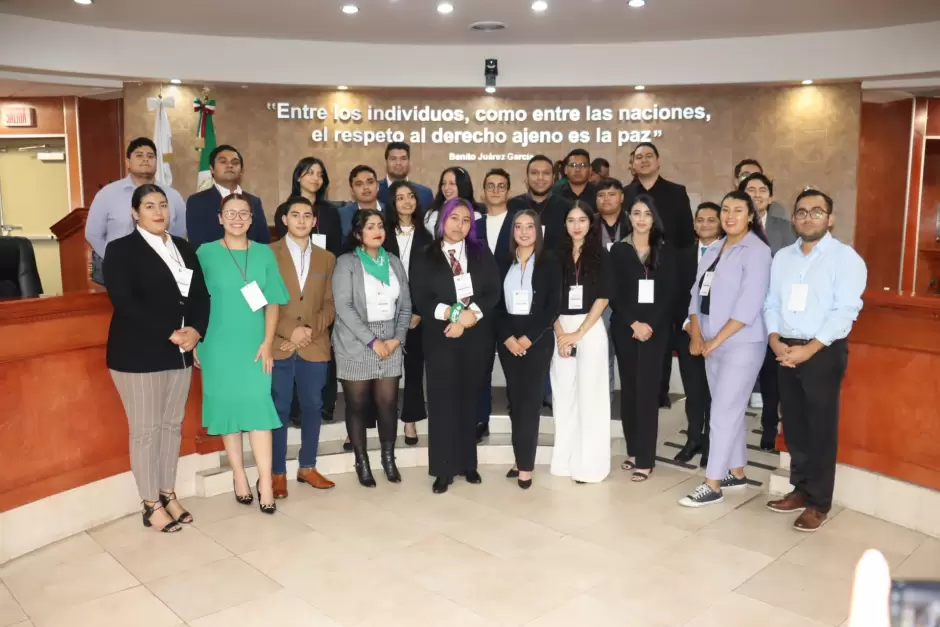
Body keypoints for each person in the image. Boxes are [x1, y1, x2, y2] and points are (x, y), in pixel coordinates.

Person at [104, 184, 208, 533]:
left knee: (170, 427)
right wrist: (169, 330)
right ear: (135, 213)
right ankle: (150, 504)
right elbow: (125, 301)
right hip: (138, 352)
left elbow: (200, 296)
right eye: (149, 206)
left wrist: (196, 330)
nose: (158, 211)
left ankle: (167, 493)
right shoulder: (120, 250)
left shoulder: (183, 248)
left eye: (163, 205)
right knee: (146, 431)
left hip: (178, 351)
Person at [764, 189, 866, 531]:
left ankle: (819, 502)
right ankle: (801, 489)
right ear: (793, 219)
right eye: (802, 212)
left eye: (816, 212)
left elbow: (845, 312)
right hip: (785, 349)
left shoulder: (845, 258)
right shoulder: (782, 258)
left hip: (822, 351)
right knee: (793, 424)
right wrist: (775, 339)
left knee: (820, 429)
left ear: (830, 218)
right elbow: (770, 303)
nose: (808, 217)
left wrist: (809, 349)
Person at [196, 193, 289, 514]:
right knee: (228, 412)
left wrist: (267, 342)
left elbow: (274, 300)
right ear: (220, 218)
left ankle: (265, 480)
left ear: (252, 219)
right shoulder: (205, 253)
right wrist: (196, 340)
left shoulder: (264, 253)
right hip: (216, 345)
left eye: (244, 213)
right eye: (230, 213)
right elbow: (193, 300)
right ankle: (239, 476)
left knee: (258, 410)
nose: (237, 218)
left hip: (254, 344)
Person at [678, 191, 771, 508]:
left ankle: (712, 483)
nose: (730, 215)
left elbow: (748, 306)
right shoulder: (715, 247)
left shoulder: (757, 251)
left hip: (741, 343)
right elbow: (695, 293)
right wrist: (696, 333)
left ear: (750, 216)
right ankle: (737, 471)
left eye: (738, 210)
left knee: (722, 412)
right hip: (709, 339)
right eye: (725, 210)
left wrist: (713, 341)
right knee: (724, 406)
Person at [410, 198, 501, 494]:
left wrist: (469, 316)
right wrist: (451, 314)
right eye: (454, 219)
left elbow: (492, 290)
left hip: (476, 337)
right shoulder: (426, 254)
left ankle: (467, 464)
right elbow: (421, 296)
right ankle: (443, 469)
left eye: (465, 221)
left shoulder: (480, 252)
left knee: (468, 400)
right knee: (442, 403)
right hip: (441, 337)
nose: (459, 225)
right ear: (442, 221)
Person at [332, 209, 412, 487]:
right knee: (357, 403)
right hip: (355, 340)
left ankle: (388, 459)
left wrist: (397, 338)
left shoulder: (394, 262)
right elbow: (343, 306)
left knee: (388, 403)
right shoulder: (346, 263)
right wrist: (372, 340)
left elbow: (406, 305)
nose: (377, 231)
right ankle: (361, 460)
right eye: (369, 227)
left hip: (390, 340)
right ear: (358, 234)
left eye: (380, 226)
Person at [270, 197, 336, 499]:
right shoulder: (267, 254)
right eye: (294, 215)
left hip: (314, 344)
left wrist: (308, 331)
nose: (300, 220)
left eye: (306, 215)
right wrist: (290, 331)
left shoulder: (327, 258)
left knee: (313, 407)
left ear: (314, 221)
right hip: (280, 343)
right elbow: (261, 301)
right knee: (279, 409)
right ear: (284, 219)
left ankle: (307, 466)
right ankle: (277, 472)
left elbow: (330, 305)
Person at [609, 194, 677, 482]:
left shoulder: (665, 249)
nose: (641, 219)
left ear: (654, 218)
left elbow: (669, 293)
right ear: (629, 217)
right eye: (636, 213)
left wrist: (649, 324)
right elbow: (613, 292)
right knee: (630, 391)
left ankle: (646, 460)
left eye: (646, 213)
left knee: (648, 392)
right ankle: (634, 450)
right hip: (626, 328)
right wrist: (633, 322)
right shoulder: (618, 250)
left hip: (655, 330)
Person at [623, 142, 695, 409]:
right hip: (634, 273)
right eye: (638, 157)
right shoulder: (626, 193)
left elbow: (687, 237)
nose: (643, 161)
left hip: (667, 273)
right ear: (632, 163)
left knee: (663, 331)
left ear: (658, 161)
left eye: (648, 156)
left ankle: (661, 391)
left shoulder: (676, 192)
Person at [496, 210, 561, 489]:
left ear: (538, 230)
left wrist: (528, 338)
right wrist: (508, 337)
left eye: (530, 227)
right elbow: (493, 303)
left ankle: (525, 466)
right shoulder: (502, 262)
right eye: (518, 227)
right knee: (515, 399)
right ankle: (520, 456)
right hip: (508, 341)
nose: (524, 232)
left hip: (538, 341)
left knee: (530, 402)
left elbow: (552, 305)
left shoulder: (549, 262)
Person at [550, 201, 613, 483]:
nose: (576, 225)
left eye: (582, 220)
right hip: (560, 328)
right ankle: (564, 460)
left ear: (591, 223)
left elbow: (603, 297)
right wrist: (560, 332)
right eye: (571, 220)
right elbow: (548, 297)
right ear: (565, 224)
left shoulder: (601, 254)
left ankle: (590, 464)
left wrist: (578, 333)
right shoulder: (554, 255)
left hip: (590, 327)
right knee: (563, 396)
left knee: (591, 396)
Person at [740, 171, 798, 448]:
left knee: (772, 374)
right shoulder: (735, 225)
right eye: (751, 190)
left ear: (771, 196)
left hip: (775, 310)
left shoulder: (784, 227)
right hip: (742, 312)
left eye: (763, 189)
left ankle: (768, 427)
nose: (757, 194)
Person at [85, 138, 187, 285]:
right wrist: (115, 259)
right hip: (119, 273)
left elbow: (179, 234)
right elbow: (93, 234)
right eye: (139, 155)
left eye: (150, 156)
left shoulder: (173, 196)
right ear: (128, 162)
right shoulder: (107, 194)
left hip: (162, 272)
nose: (145, 159)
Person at [383, 180, 434, 444]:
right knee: (387, 370)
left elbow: (431, 279)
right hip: (384, 314)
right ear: (392, 203)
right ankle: (384, 420)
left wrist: (419, 311)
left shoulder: (427, 237)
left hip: (416, 315)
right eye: (400, 197)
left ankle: (411, 421)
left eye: (411, 196)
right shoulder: (381, 234)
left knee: (414, 369)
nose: (407, 202)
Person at [673, 202, 722, 466]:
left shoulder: (729, 254)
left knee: (715, 391)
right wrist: (688, 325)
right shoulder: (681, 255)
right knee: (694, 391)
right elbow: (674, 295)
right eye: (700, 220)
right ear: (694, 225)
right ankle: (693, 439)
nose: (705, 225)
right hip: (687, 333)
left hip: (719, 336)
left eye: (711, 220)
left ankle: (712, 443)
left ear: (721, 223)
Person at [476, 168, 518, 441]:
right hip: (478, 310)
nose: (495, 190)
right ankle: (481, 418)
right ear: (483, 191)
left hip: (511, 308)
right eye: (490, 186)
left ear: (508, 191)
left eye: (500, 186)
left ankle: (519, 415)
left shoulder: (519, 223)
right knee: (480, 368)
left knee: (515, 366)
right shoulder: (474, 225)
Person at [186, 145, 270, 249]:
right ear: (211, 169)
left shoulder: (254, 201)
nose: (230, 165)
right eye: (223, 162)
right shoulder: (197, 202)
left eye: (235, 163)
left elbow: (263, 241)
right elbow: (197, 244)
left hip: (251, 262)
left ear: (241, 171)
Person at [596, 178, 628, 399]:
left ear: (622, 197)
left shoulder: (635, 222)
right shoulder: (587, 224)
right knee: (601, 350)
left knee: (627, 353)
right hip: (599, 298)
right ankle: (603, 398)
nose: (606, 199)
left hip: (629, 299)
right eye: (601, 195)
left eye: (611, 194)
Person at [274, 157, 343, 257]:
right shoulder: (284, 209)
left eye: (320, 175)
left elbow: (336, 248)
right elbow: (284, 245)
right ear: (298, 177)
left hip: (324, 266)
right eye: (310, 173)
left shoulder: (330, 211)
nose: (316, 178)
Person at [507, 155, 570, 252]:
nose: (540, 178)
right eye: (534, 173)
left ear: (553, 178)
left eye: (546, 173)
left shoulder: (566, 207)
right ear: (527, 178)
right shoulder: (512, 205)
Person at [424, 166, 483, 235]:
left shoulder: (475, 215)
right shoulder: (433, 213)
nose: (446, 188)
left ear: (462, 186)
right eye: (443, 183)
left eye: (451, 183)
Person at [377, 141, 435, 210]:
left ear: (409, 162)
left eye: (403, 159)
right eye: (393, 159)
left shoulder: (425, 194)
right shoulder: (374, 191)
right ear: (386, 162)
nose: (398, 163)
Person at [338, 165, 383, 239]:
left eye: (370, 182)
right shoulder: (342, 215)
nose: (366, 187)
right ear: (352, 191)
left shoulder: (390, 211)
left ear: (378, 186)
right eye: (359, 184)